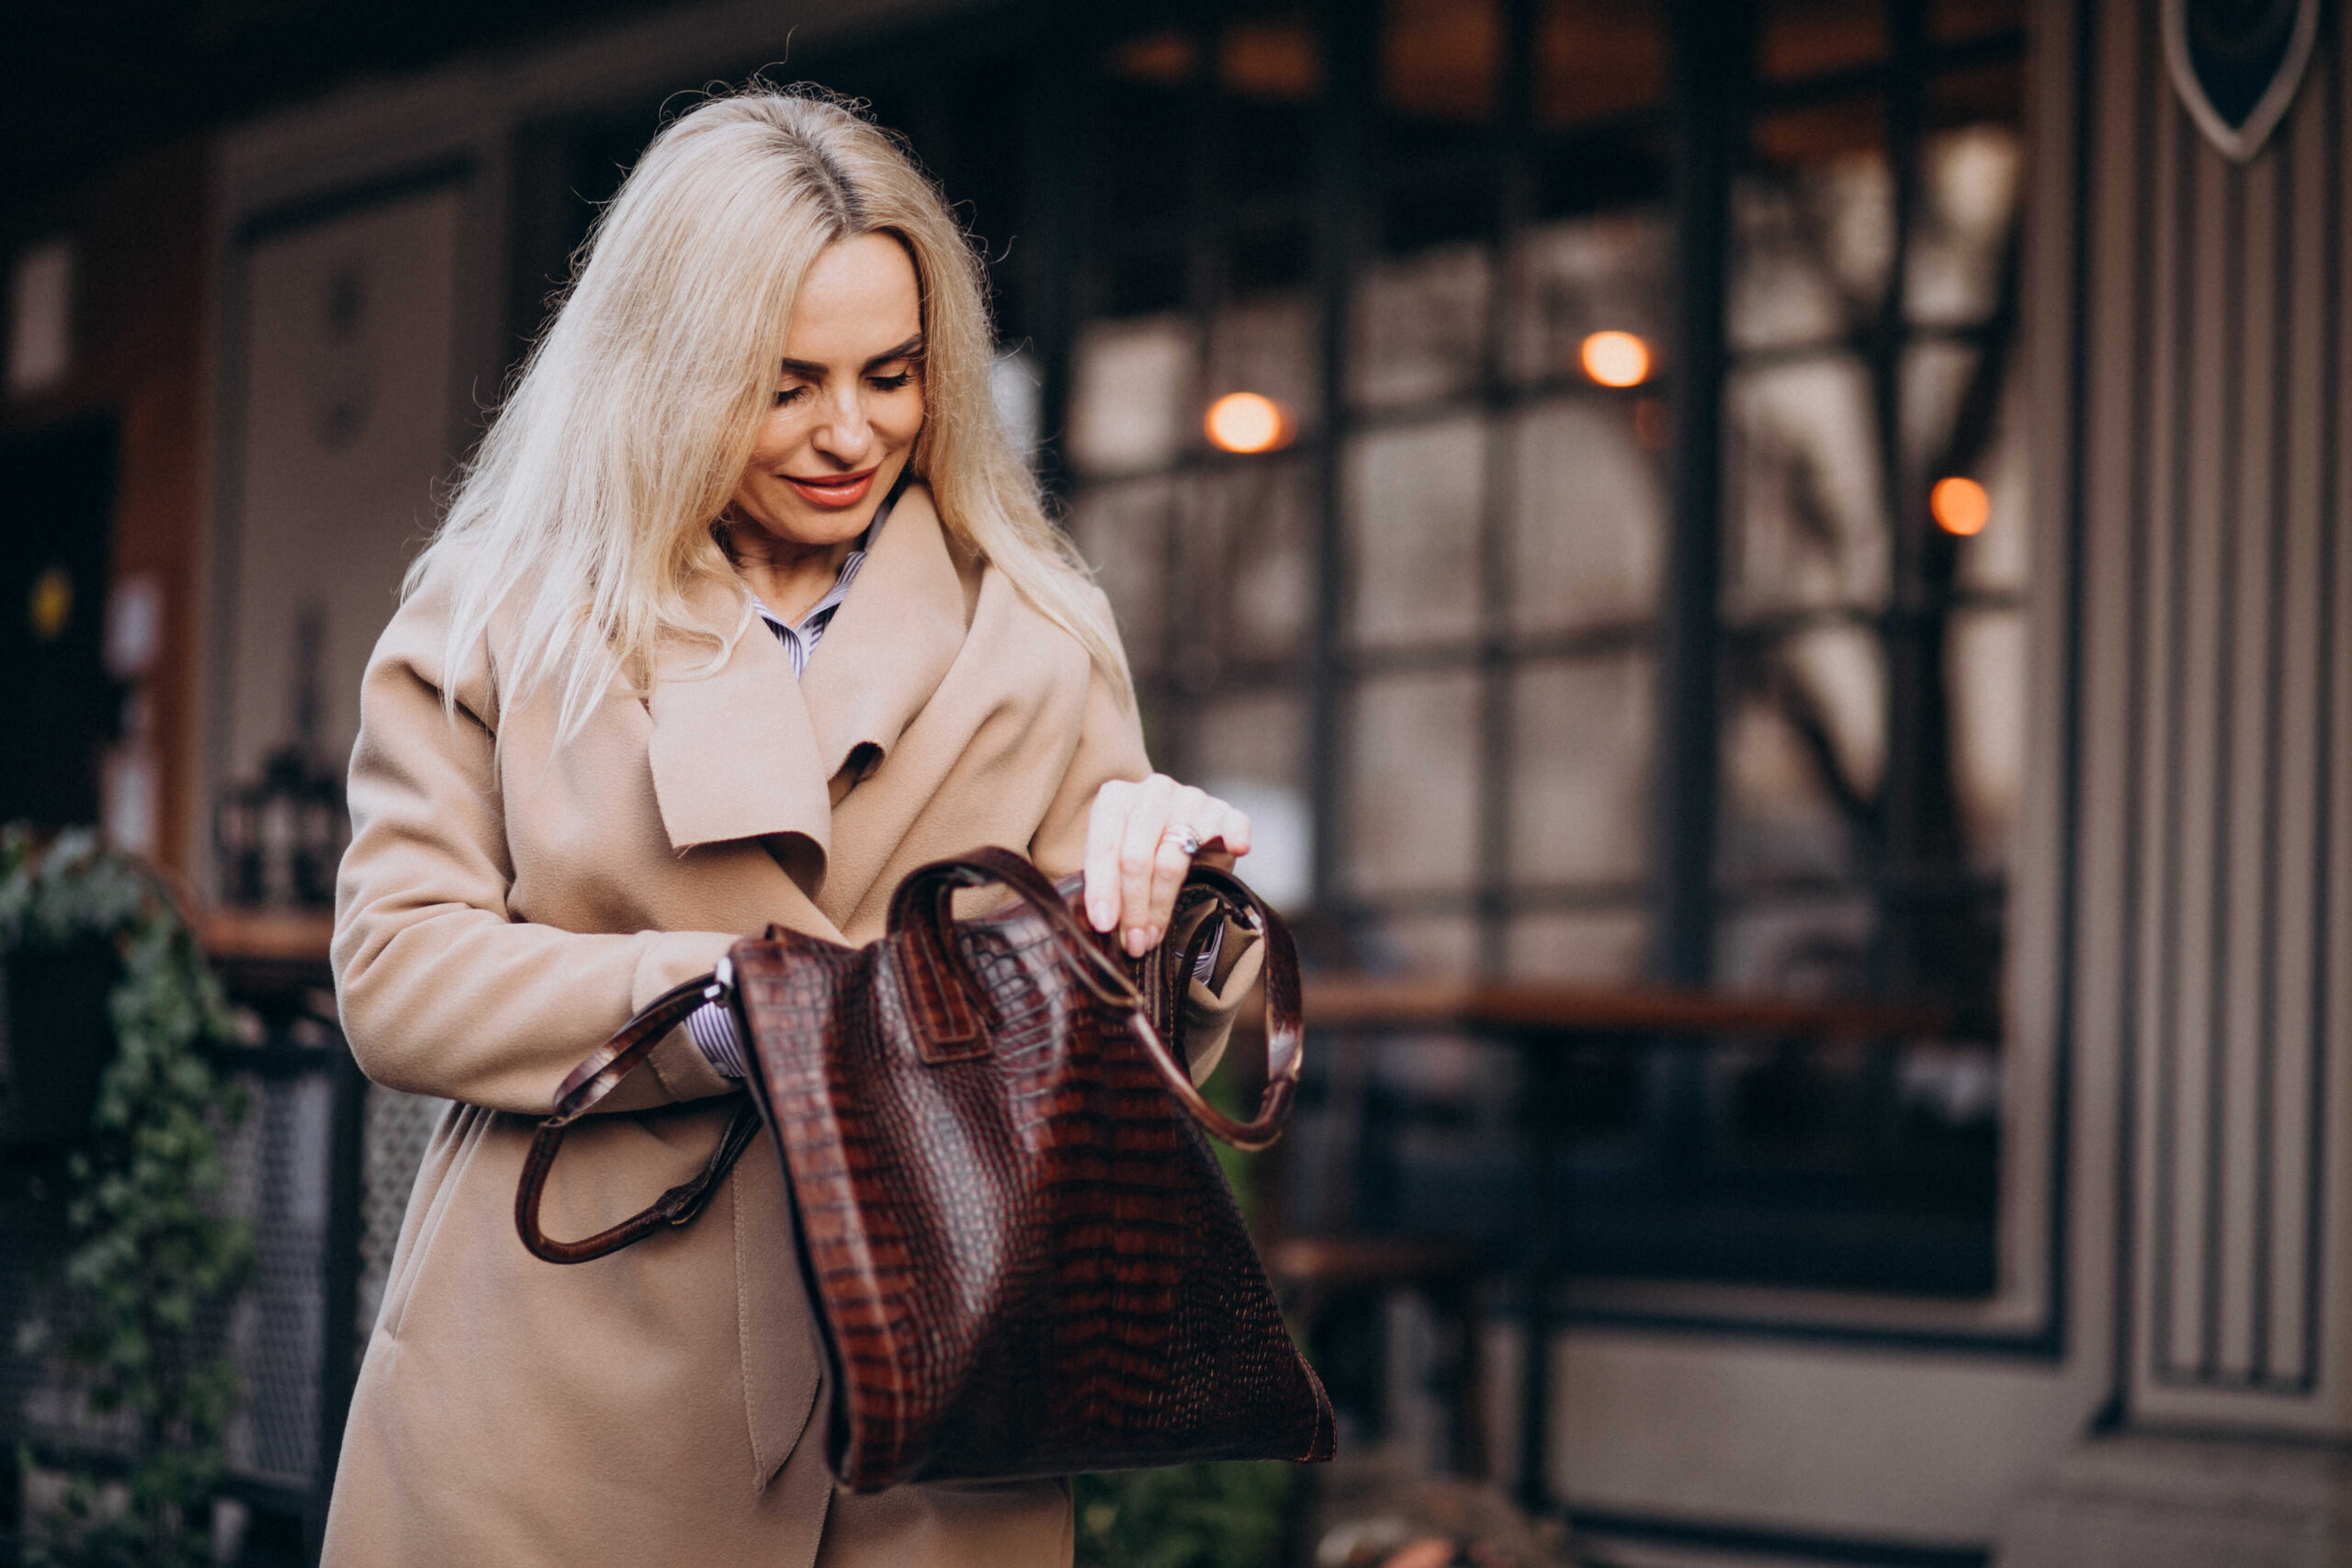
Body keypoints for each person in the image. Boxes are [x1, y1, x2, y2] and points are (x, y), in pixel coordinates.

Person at [323, 86, 1263, 1568]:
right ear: (666, 374)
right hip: (556, 1394)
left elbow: (1117, 1063)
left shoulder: (1038, 631)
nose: (850, 433)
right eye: (783, 384)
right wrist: (727, 1011)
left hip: (935, 1418)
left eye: (894, 375)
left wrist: (1171, 903)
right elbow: (396, 973)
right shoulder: (499, 613)